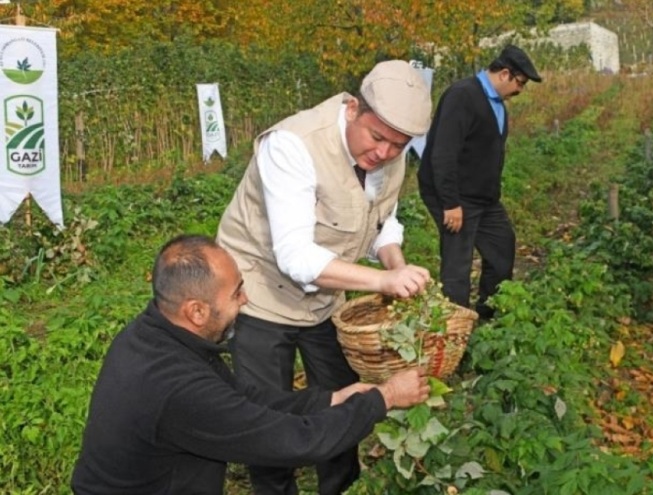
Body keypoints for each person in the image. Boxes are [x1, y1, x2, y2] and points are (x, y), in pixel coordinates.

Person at [215, 60, 433, 494]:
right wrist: (383, 283)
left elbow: (380, 220)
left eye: (399, 145)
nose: (385, 154)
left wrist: (395, 263)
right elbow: (295, 256)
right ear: (353, 108)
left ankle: (341, 486)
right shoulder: (293, 145)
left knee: (344, 398)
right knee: (268, 419)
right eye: (378, 138)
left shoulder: (389, 158)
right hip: (258, 295)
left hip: (324, 301)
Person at [71, 235, 430, 494]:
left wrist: (331, 399)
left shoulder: (153, 334)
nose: (245, 299)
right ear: (196, 311)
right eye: (236, 292)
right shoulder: (177, 388)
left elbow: (241, 397)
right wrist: (384, 398)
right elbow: (295, 442)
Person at [417, 44, 542, 320]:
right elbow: (443, 153)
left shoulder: (497, 105)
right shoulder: (462, 96)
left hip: (484, 198)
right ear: (505, 74)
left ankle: (488, 317)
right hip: (454, 196)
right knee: (457, 266)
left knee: (502, 248)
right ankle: (455, 333)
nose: (520, 91)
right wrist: (450, 203)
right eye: (520, 83)